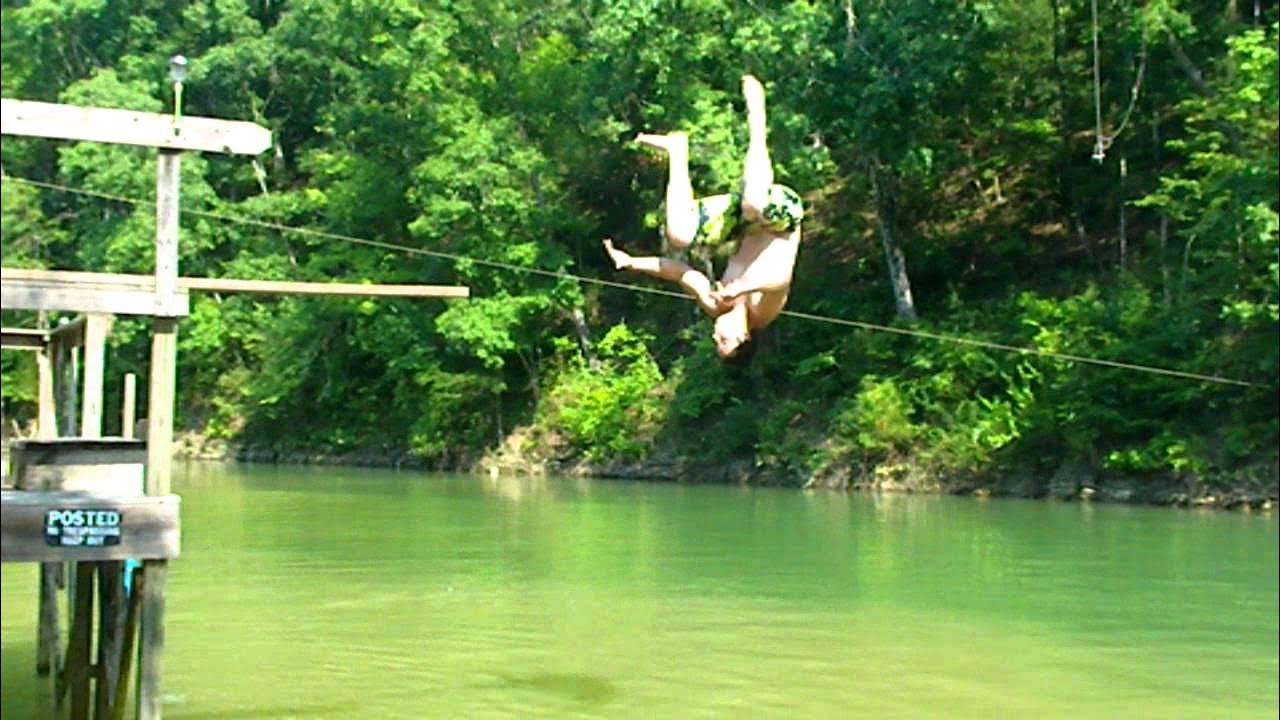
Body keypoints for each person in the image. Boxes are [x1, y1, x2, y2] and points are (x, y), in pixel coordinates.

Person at [603, 74, 803, 362]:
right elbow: (780, 281)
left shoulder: (714, 305)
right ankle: (757, 115)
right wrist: (743, 287)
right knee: (754, 202)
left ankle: (677, 151)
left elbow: (683, 273)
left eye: (716, 342)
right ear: (743, 337)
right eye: (722, 341)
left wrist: (633, 262)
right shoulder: (763, 313)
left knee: (679, 235)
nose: (714, 335)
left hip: (742, 226)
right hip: (782, 221)